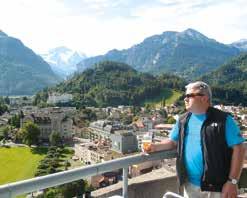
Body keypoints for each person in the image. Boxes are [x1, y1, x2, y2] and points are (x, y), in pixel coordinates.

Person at [146, 81, 246, 198]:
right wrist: (154, 147)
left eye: (189, 96)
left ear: (204, 98)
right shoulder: (183, 120)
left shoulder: (223, 120)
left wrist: (232, 182)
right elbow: (173, 142)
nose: (185, 99)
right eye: (185, 96)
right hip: (190, 184)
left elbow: (240, 149)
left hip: (218, 187)